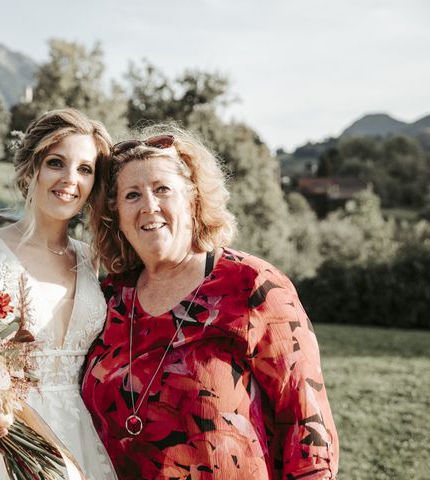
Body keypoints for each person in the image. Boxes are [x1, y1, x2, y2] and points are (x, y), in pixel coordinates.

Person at [81, 127, 339, 479]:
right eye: (132, 195)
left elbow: (307, 428)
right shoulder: (108, 297)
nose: (149, 206)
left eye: (162, 190)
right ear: (116, 214)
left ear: (192, 199)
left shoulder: (252, 284)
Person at [0, 109, 117, 479]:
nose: (69, 179)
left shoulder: (91, 260)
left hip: (79, 438)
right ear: (32, 168)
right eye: (56, 163)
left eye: (85, 169)